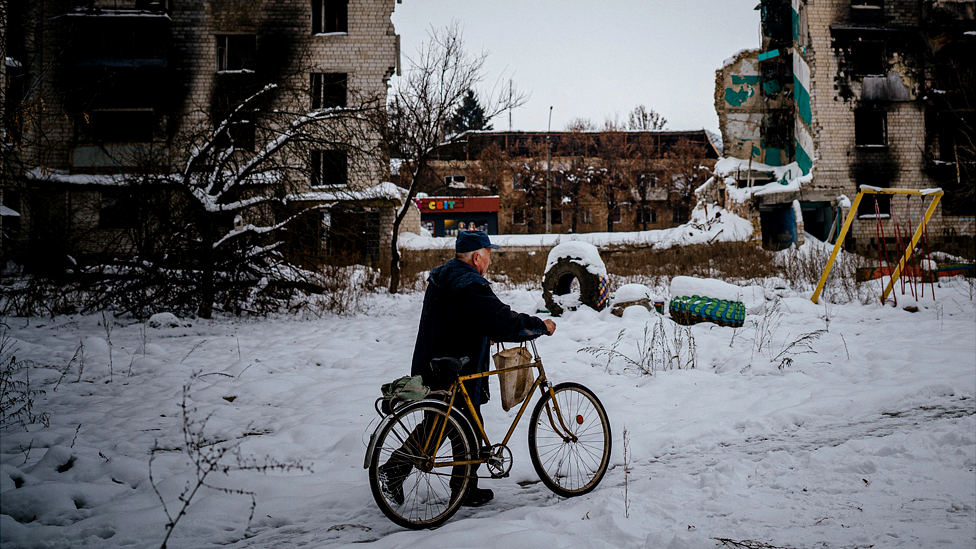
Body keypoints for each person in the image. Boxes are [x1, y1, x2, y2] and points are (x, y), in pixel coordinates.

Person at [380, 230, 556, 508]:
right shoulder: (470, 284)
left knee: (446, 424)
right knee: (459, 426)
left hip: (432, 361)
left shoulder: (443, 277)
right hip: (458, 366)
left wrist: (484, 333)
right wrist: (538, 326)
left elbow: (459, 318)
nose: (489, 262)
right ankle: (405, 474)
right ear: (476, 257)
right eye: (488, 256)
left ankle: (460, 487)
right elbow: (500, 319)